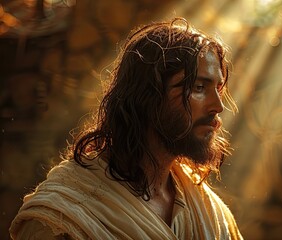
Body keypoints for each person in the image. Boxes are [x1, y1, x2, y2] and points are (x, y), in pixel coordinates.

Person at [9, 17, 242, 239]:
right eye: (199, 87)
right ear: (148, 96)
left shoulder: (205, 208)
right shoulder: (65, 217)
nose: (218, 106)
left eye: (218, 89)